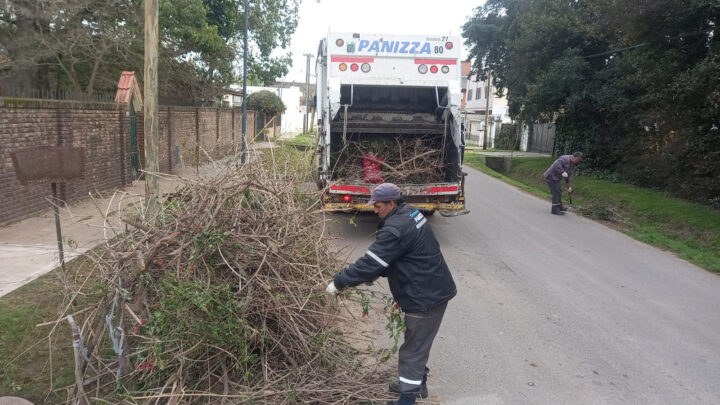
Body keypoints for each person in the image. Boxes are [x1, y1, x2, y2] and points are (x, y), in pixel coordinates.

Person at [326, 183, 456, 405]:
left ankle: (407, 398)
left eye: (378, 206)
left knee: (412, 351)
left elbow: (371, 262)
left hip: (424, 297)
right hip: (430, 289)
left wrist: (338, 282)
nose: (375, 210)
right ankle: (418, 384)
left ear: (392, 203)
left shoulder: (396, 228)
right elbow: (399, 256)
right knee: (418, 343)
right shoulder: (411, 213)